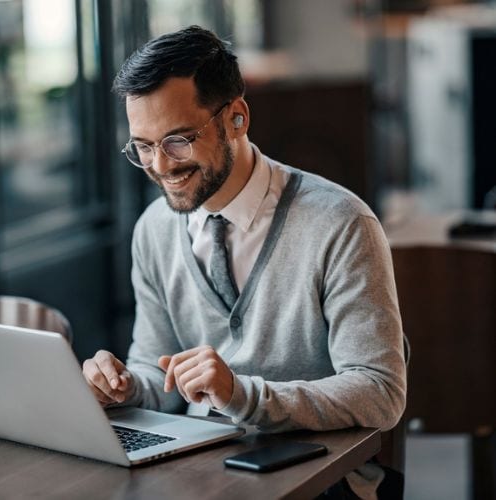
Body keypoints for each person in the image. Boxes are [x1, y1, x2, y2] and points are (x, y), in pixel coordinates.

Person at [81, 26, 406, 498]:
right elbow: (159, 375)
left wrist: (241, 394)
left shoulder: (341, 223)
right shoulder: (153, 228)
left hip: (316, 477)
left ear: (236, 118)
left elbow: (380, 393)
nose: (161, 166)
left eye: (178, 140)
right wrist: (125, 388)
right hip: (197, 472)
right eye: (144, 147)